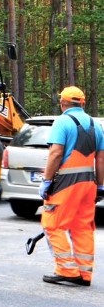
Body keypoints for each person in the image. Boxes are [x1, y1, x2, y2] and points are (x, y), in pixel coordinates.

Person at [38, 86, 104, 286]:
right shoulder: (96, 125)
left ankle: (67, 269)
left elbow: (56, 153)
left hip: (66, 184)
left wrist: (47, 180)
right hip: (88, 185)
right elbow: (100, 159)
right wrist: (100, 185)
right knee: (82, 226)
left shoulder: (62, 122)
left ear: (63, 103)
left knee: (53, 224)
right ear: (82, 103)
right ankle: (84, 274)